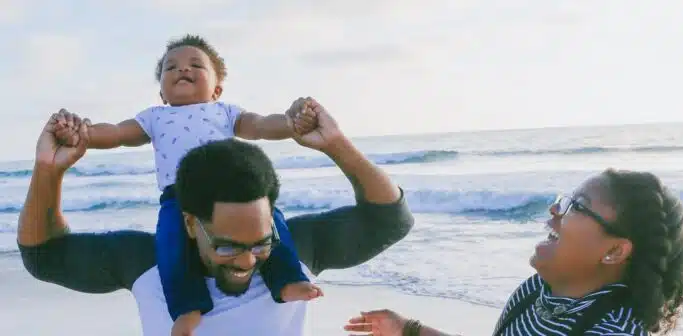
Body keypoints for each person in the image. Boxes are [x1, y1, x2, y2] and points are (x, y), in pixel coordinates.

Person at [18, 99, 415, 335]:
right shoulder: (149, 262)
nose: (247, 261)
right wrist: (48, 171)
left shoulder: (294, 251)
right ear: (190, 223)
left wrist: (337, 145)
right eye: (227, 246)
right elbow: (44, 256)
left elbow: (390, 220)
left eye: (261, 242)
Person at [52, 34, 321, 335]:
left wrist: (291, 124)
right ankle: (187, 307)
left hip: (228, 191)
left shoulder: (226, 112)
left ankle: (287, 281)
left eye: (195, 65)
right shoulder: (154, 117)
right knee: (169, 247)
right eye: (171, 68)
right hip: (177, 196)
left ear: (217, 89)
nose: (182, 70)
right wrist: (83, 133)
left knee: (273, 226)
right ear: (162, 93)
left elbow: (259, 126)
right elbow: (116, 133)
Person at [344, 170, 683, 336]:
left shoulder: (611, 332)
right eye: (564, 199)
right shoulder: (537, 291)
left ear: (615, 251)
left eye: (577, 206)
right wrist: (408, 329)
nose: (555, 210)